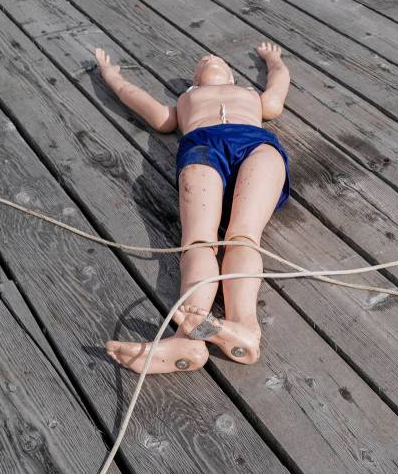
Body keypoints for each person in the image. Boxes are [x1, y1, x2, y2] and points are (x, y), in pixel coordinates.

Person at [94, 42, 291, 374]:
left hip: (256, 146)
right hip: (202, 148)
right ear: (194, 82)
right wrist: (112, 77)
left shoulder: (252, 97)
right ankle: (189, 338)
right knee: (198, 241)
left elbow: (277, 89)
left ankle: (244, 325)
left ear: (231, 75)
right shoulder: (185, 102)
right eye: (202, 62)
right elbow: (143, 104)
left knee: (243, 236)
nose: (209, 57)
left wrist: (274, 60)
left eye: (216, 58)